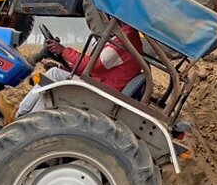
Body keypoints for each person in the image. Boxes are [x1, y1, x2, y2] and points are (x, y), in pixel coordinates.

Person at [15, 26, 145, 118]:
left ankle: (21, 114)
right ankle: (26, 115)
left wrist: (63, 51)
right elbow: (96, 69)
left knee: (52, 77)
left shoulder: (125, 38)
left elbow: (94, 65)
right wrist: (65, 68)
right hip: (100, 84)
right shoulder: (124, 36)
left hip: (102, 92)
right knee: (49, 80)